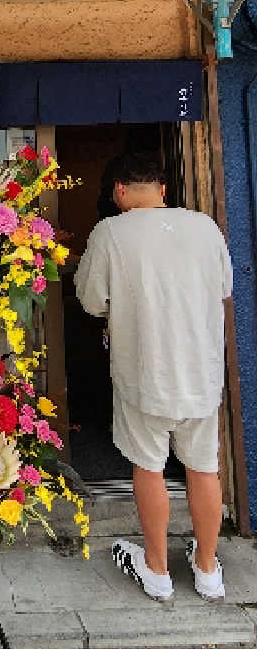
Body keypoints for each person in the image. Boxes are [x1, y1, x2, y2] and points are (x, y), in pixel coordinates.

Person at [74, 152, 233, 603]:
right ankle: (207, 570)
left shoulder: (111, 231)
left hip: (145, 374)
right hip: (201, 374)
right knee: (204, 468)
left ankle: (157, 569)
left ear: (119, 192)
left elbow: (90, 300)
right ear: (163, 190)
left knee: (149, 467)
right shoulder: (205, 226)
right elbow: (224, 288)